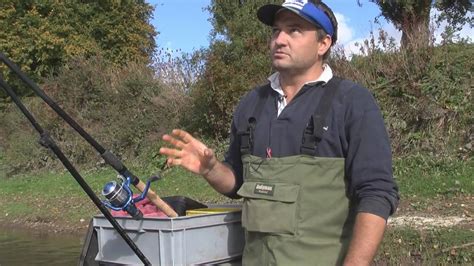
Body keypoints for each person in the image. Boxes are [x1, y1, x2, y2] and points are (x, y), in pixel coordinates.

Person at [159, 0, 399, 265]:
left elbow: (377, 193)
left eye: (294, 30)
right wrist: (211, 170)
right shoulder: (252, 103)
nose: (280, 40)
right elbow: (238, 184)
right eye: (276, 31)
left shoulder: (352, 102)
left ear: (324, 44)